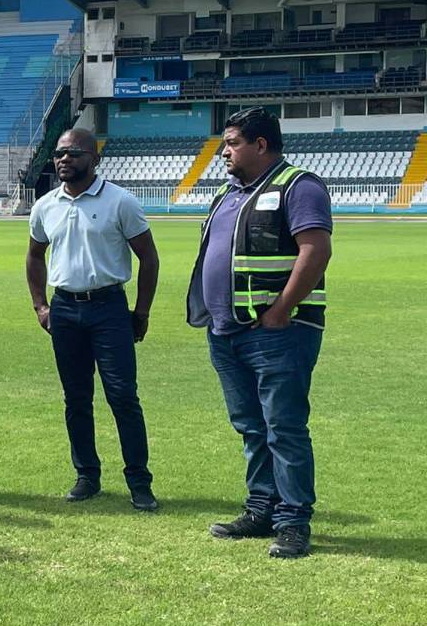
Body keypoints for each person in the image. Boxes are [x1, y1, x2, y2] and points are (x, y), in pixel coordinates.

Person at [187, 106, 332, 559]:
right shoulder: (227, 193)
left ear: (261, 144)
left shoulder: (298, 186)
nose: (223, 152)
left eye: (232, 143)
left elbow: (316, 250)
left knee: (283, 427)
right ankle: (261, 508)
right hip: (226, 331)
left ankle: (292, 521)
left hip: (278, 332)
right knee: (251, 427)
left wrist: (281, 310)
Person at [26, 128, 160, 511]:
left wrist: (141, 312)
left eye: (73, 152)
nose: (64, 159)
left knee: (123, 396)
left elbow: (149, 258)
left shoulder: (120, 201)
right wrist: (40, 305)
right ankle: (87, 475)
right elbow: (34, 255)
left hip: (109, 308)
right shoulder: (45, 205)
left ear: (95, 159)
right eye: (59, 153)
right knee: (76, 397)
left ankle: (139, 481)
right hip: (65, 309)